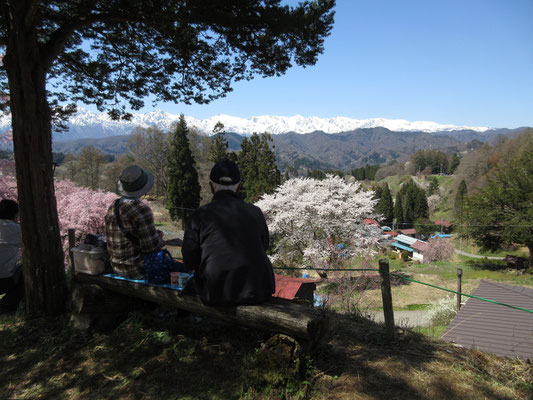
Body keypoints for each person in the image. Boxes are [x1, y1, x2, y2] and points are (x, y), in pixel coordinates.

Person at [182, 160, 275, 306]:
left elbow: (190, 261)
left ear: (211, 187)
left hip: (216, 292)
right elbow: (263, 246)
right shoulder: (255, 212)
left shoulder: (199, 215)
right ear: (238, 188)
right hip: (259, 290)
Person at [105, 165, 186, 282]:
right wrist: (159, 238)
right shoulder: (141, 209)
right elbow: (150, 248)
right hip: (137, 270)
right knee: (184, 270)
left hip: (116, 266)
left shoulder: (114, 205)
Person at [0, 199, 24, 312]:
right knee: (26, 269)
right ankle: (7, 304)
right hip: (3, 281)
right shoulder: (16, 229)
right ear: (15, 214)